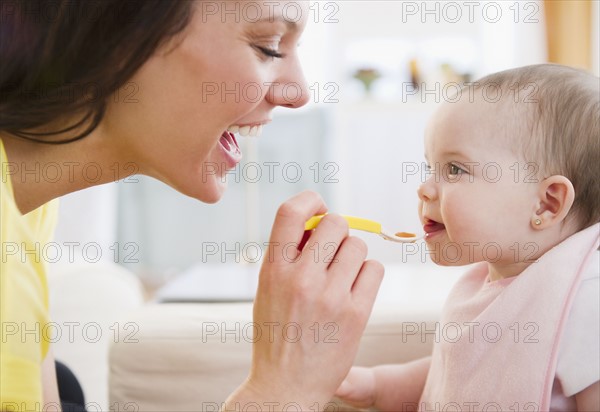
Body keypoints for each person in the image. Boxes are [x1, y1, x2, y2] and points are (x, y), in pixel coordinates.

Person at [0, 1, 384, 410]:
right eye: (268, 47)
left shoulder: (29, 207)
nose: (299, 93)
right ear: (117, 32)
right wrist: (283, 390)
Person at [335, 64, 600, 411]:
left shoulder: (584, 298)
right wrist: (379, 385)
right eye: (431, 167)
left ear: (547, 204)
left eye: (455, 169)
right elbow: (465, 372)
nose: (424, 187)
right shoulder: (488, 283)